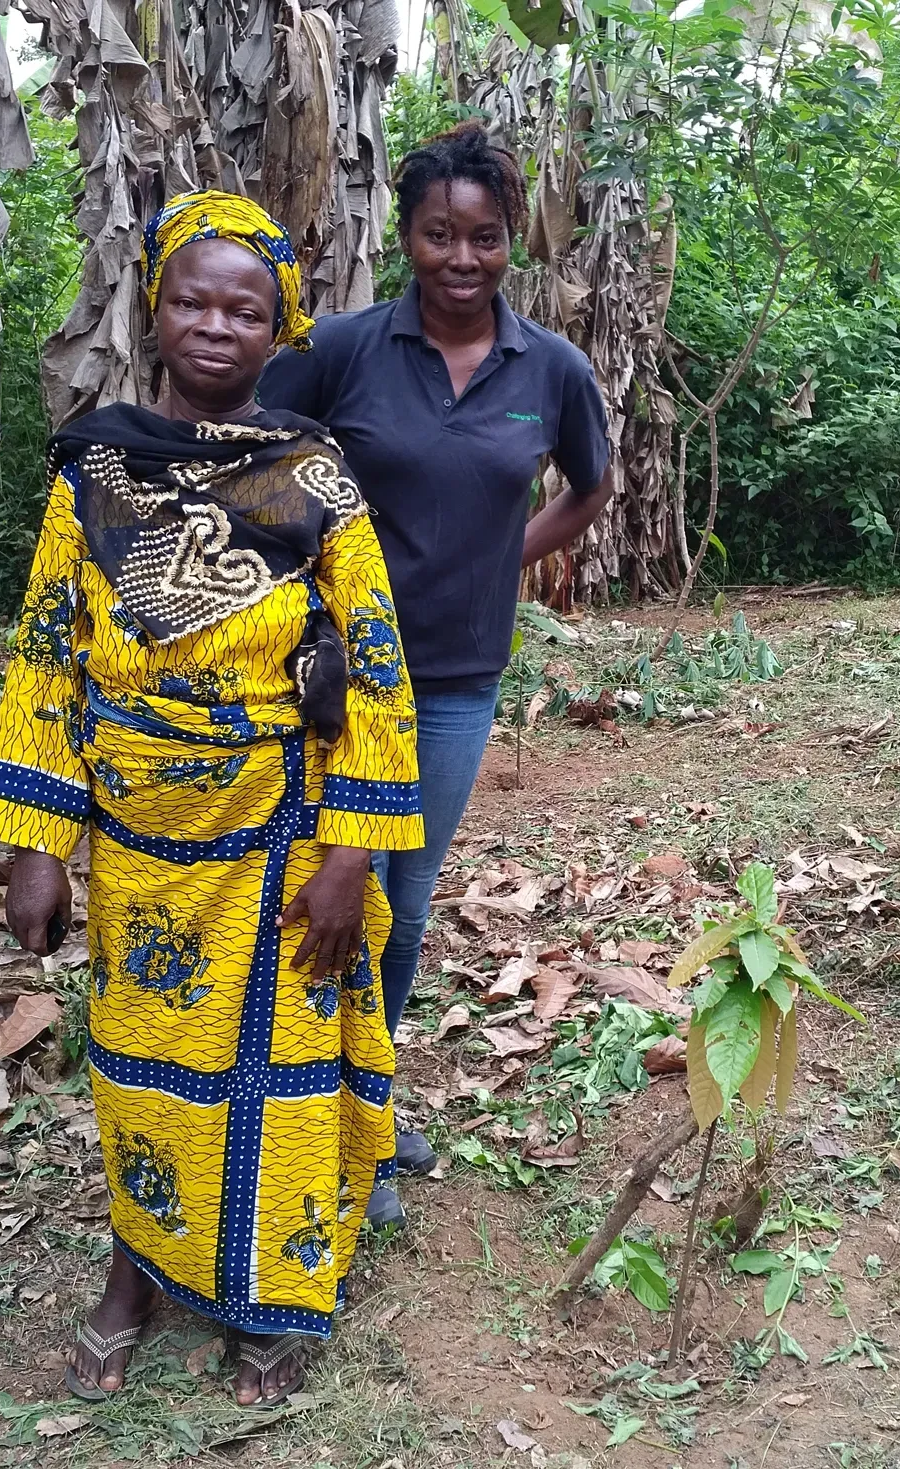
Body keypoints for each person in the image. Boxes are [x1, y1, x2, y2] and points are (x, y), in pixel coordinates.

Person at [0, 192, 423, 1408]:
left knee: (274, 1066)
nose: (214, 325)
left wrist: (351, 855)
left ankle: (264, 1299)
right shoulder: (95, 471)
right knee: (138, 1058)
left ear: (281, 328)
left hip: (279, 831)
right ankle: (137, 1270)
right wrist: (35, 843)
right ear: (153, 309)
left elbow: (376, 665)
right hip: (134, 836)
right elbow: (45, 654)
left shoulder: (315, 479)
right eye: (190, 299)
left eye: (244, 307)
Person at [259, 123, 615, 1227]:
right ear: (405, 237)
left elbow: (590, 486)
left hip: (455, 677)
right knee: (306, 882)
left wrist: (497, 559)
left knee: (400, 903)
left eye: (485, 238)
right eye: (437, 235)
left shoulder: (547, 367)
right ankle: (282, 1099)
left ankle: (363, 1100)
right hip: (322, 672)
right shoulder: (347, 349)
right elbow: (254, 463)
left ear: (513, 242)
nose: (461, 258)